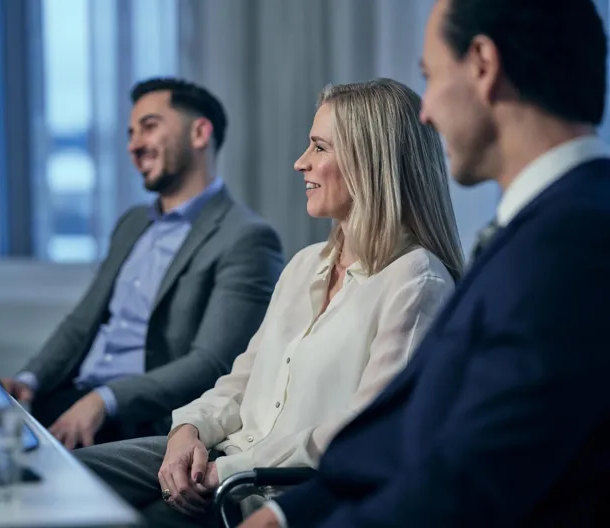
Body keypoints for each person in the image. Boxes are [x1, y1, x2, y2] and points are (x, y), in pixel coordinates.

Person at [241, 0, 610, 527]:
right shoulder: (541, 229)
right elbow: (407, 433)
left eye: (431, 77)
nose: (427, 112)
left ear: (483, 65)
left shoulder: (576, 243)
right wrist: (284, 514)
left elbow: (473, 477)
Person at [75, 78, 465, 528]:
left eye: (319, 147)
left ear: (370, 161)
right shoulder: (305, 265)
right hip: (222, 458)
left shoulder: (417, 282)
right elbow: (240, 382)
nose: (301, 163)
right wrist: (189, 430)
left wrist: (228, 470)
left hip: (269, 489)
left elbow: (365, 434)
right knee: (62, 477)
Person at [1, 78, 284, 449]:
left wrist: (105, 400)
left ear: (200, 133)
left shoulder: (246, 238)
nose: (133, 145)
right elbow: (80, 324)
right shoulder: (133, 223)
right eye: (131, 133)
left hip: (140, 419)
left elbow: (212, 364)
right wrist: (29, 380)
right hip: (74, 396)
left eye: (149, 127)